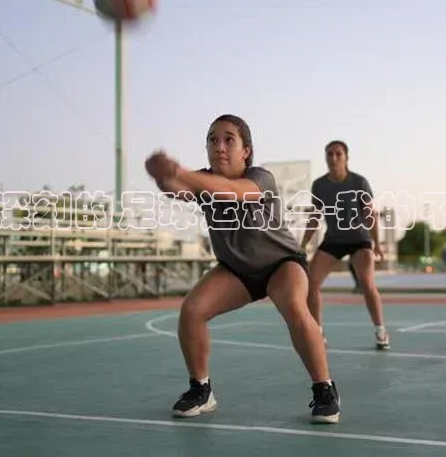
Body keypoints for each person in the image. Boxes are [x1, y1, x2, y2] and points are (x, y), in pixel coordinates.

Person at [144, 114, 340, 423]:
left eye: (228, 139)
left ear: (245, 150)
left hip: (282, 263)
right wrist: (160, 176)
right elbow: (177, 189)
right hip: (236, 270)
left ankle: (324, 389)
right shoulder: (202, 179)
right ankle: (201, 389)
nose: (219, 146)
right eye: (212, 140)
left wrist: (177, 172)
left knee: (292, 305)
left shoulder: (259, 178)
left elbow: (227, 190)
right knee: (192, 310)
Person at [300, 140, 390, 350]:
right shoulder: (320, 185)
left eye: (338, 154)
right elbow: (315, 216)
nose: (333, 158)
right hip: (333, 241)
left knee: (366, 283)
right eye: (329, 154)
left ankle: (381, 331)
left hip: (359, 240)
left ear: (346, 158)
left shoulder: (359, 182)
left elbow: (370, 215)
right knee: (311, 285)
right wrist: (303, 244)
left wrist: (376, 244)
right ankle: (318, 333)